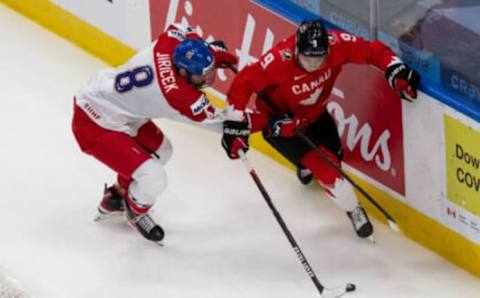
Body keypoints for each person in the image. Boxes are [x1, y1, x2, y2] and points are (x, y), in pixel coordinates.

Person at [221, 19, 420, 239]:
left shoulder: (337, 45)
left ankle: (306, 169)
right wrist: (234, 124)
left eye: (320, 58)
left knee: (335, 157)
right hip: (283, 127)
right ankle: (353, 209)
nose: (315, 64)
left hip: (316, 116)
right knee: (331, 172)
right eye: (308, 58)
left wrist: (394, 67)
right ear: (297, 50)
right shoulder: (278, 61)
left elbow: (372, 51)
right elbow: (243, 83)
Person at [71, 23, 238, 243]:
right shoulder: (177, 96)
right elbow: (219, 122)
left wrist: (210, 52)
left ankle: (118, 196)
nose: (207, 79)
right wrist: (243, 127)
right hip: (93, 122)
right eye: (202, 76)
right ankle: (135, 211)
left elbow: (181, 29)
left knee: (163, 150)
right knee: (154, 177)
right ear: (183, 72)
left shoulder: (168, 44)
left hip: (112, 103)